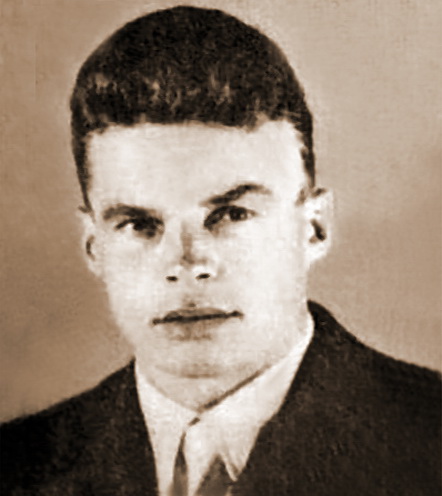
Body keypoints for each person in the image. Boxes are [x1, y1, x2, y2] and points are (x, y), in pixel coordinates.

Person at [1, 5, 440, 496]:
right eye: (140, 225)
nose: (187, 265)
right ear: (93, 246)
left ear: (314, 228)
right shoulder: (17, 466)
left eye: (231, 214)